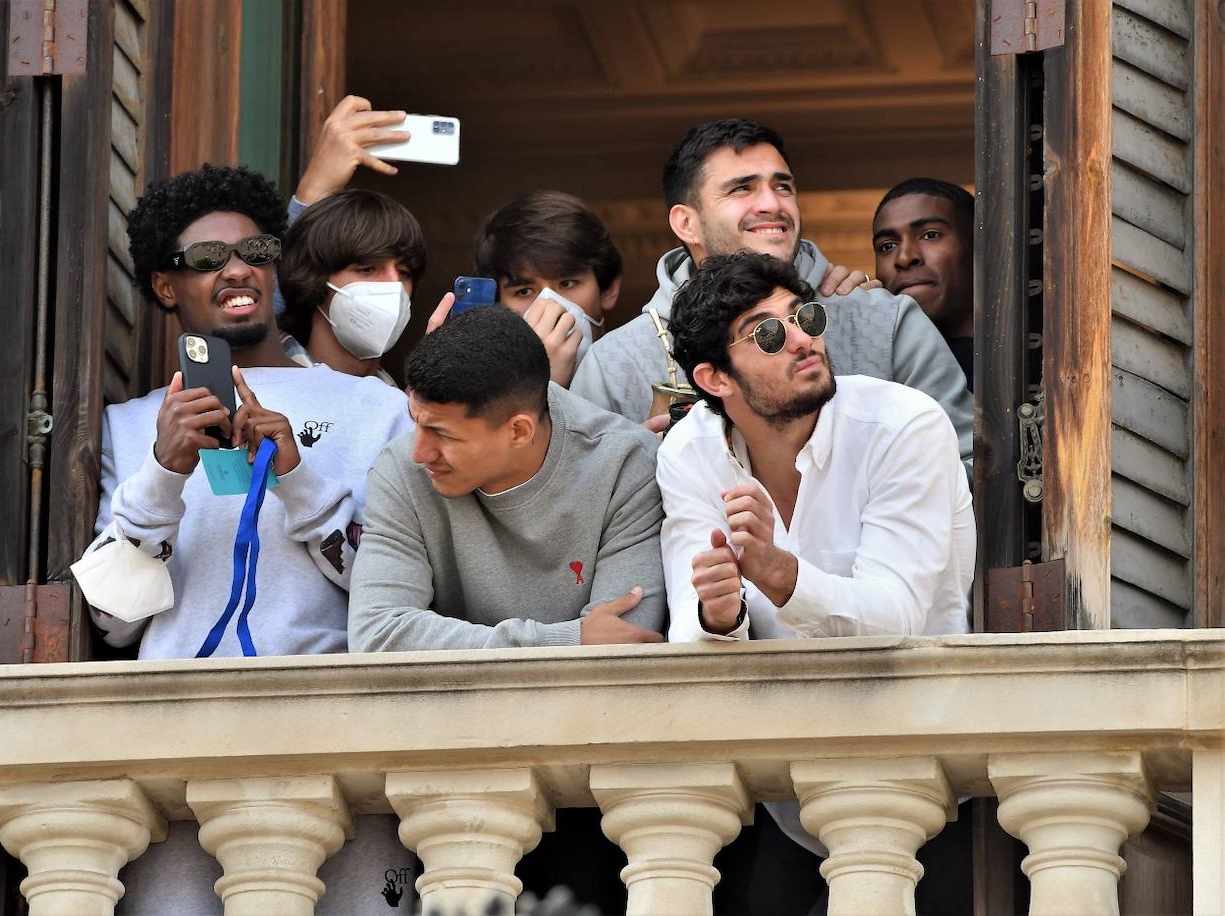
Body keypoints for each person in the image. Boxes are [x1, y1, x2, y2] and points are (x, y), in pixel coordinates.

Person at [84, 163, 416, 915]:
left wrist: (296, 475)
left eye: (255, 251)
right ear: (168, 287)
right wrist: (162, 475)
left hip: (341, 743)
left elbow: (394, 596)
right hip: (178, 756)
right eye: (205, 260)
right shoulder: (129, 427)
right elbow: (112, 622)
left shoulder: (375, 409)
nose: (236, 269)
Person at [659, 251, 974, 914]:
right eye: (767, 334)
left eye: (804, 316)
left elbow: (897, 620)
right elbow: (692, 637)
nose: (804, 338)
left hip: (926, 783)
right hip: (789, 796)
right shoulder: (689, 452)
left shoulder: (903, 425)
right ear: (714, 378)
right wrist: (718, 618)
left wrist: (777, 573)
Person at [348, 305, 666, 913]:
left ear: (519, 429)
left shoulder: (622, 462)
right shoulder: (400, 471)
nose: (419, 451)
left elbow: (623, 648)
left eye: (442, 433)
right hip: (452, 772)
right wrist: (567, 640)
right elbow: (377, 634)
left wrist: (459, 644)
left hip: (591, 787)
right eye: (417, 423)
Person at [569, 118, 973, 475]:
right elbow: (588, 517)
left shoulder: (887, 322)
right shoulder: (613, 363)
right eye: (742, 189)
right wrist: (636, 476)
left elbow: (969, 467)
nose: (772, 204)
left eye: (783, 186)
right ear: (687, 223)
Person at [277, 188, 426, 385]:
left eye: (404, 273)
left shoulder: (403, 407)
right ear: (313, 278)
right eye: (367, 269)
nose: (394, 283)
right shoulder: (257, 394)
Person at [474, 190, 623, 387]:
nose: (550, 304)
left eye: (567, 283)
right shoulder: (477, 396)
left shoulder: (644, 376)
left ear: (609, 288)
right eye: (524, 291)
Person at [872, 178, 975, 390]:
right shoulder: (871, 370)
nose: (904, 258)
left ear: (977, 244)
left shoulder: (1044, 355)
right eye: (887, 246)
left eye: (930, 235)